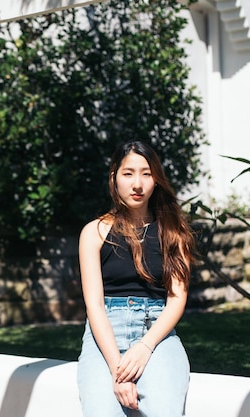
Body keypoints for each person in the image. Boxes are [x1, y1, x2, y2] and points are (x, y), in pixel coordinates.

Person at [76, 140, 196, 417]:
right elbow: (94, 306)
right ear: (114, 178)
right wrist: (118, 370)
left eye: (146, 173)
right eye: (128, 173)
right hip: (104, 334)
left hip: (157, 333)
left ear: (157, 179)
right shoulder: (94, 232)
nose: (137, 184)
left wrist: (145, 347)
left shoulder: (174, 233)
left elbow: (177, 300)